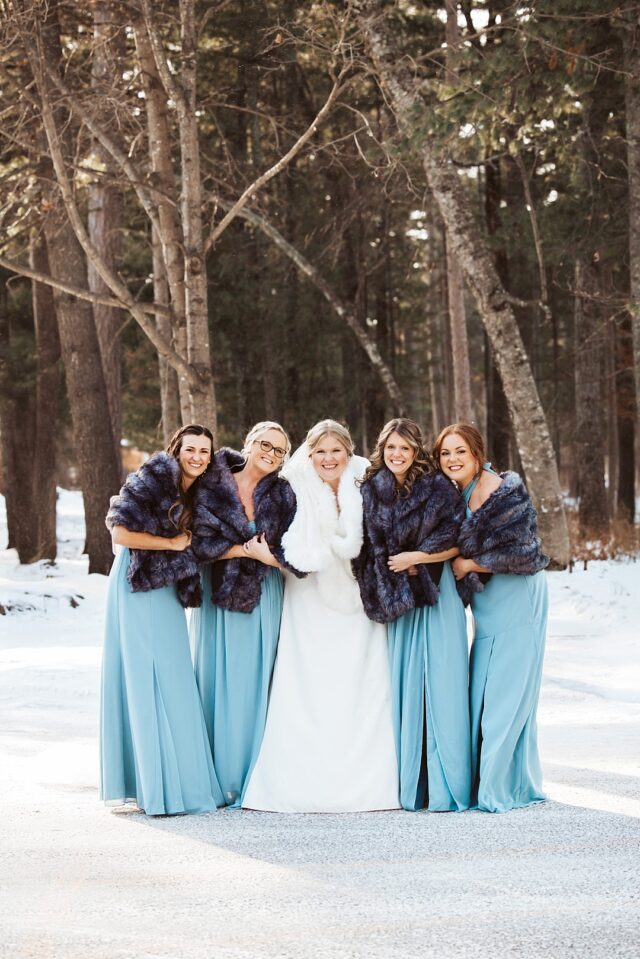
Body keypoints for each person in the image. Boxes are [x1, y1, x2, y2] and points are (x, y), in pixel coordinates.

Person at [243, 420, 400, 813]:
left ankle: (370, 782)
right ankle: (297, 780)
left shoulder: (367, 481)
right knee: (308, 681)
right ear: (309, 454)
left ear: (348, 452)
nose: (328, 459)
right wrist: (272, 557)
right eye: (320, 452)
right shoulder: (292, 485)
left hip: (357, 597)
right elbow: (275, 534)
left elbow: (385, 533)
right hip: (306, 594)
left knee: (363, 684)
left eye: (336, 451)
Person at [100, 424, 223, 816]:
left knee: (172, 677)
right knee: (143, 677)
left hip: (166, 587)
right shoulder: (152, 478)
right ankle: (155, 787)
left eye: (205, 451)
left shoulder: (199, 490)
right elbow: (120, 533)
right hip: (136, 584)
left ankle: (181, 781)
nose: (198, 457)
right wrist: (171, 543)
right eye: (191, 449)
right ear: (177, 449)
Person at [353, 418, 471, 812]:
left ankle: (448, 784)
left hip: (437, 595)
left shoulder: (438, 487)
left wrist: (418, 557)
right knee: (406, 689)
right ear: (381, 449)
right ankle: (413, 786)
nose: (397, 455)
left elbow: (456, 542)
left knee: (444, 684)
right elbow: (368, 547)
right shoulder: (371, 489)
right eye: (390, 447)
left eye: (404, 448)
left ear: (416, 451)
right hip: (399, 600)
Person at [435, 423, 549, 813]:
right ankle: (485, 778)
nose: (452, 459)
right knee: (482, 690)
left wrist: (469, 562)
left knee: (506, 692)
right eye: (445, 453)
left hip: (517, 596)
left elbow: (525, 553)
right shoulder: (454, 492)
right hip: (488, 605)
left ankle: (500, 787)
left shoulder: (503, 492)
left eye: (460, 452)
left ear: (477, 454)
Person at [190, 422, 299, 808]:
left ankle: (248, 775)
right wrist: (240, 551)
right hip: (216, 590)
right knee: (214, 674)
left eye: (280, 450)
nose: (270, 453)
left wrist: (270, 558)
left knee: (253, 678)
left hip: (262, 593)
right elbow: (195, 541)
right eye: (265, 444)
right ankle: (214, 773)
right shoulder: (213, 483)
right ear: (249, 443)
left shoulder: (284, 493)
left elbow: (293, 546)